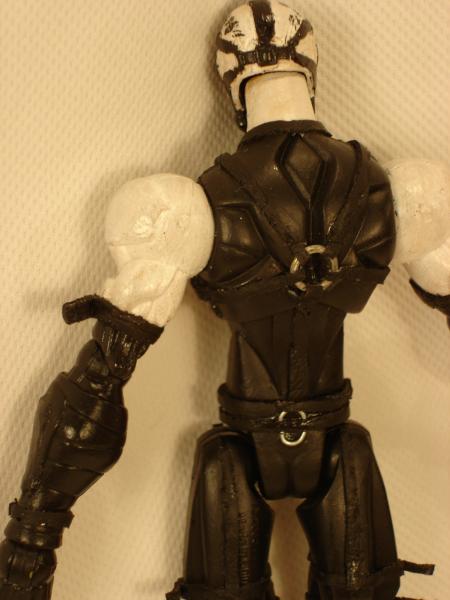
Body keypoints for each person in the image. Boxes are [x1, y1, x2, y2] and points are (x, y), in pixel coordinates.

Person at [0, 2, 448, 599]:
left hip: (245, 445)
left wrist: (31, 539)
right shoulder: (401, 193)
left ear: (232, 80)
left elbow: (99, 380)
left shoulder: (184, 208)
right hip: (332, 439)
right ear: (310, 68)